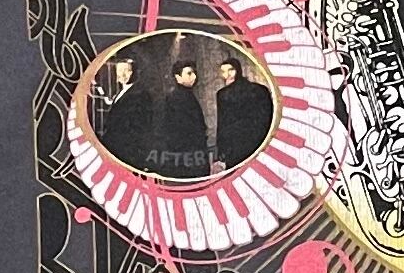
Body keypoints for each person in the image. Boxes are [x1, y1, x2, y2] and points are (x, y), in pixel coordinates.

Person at [139, 43, 211, 180]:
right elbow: (177, 128)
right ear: (178, 77)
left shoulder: (186, 95)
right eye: (189, 73)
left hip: (189, 154)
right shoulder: (177, 97)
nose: (193, 76)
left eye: (194, 73)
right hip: (185, 155)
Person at [211, 52, 275, 170]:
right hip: (255, 143)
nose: (226, 75)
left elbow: (223, 125)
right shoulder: (260, 89)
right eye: (223, 71)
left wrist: (220, 153)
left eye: (230, 70)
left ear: (238, 70)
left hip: (239, 145)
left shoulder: (223, 94)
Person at [92, 52, 152, 170]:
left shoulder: (140, 94)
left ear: (134, 72)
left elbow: (139, 125)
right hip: (116, 144)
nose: (122, 74)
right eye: (119, 71)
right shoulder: (123, 91)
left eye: (127, 71)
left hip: (126, 148)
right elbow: (110, 102)